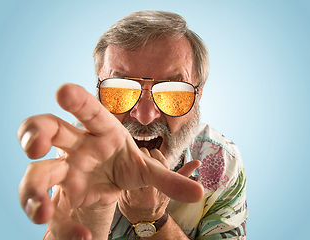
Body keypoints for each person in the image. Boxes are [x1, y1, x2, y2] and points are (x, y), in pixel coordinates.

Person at [17, 10, 247, 240]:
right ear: (98, 89)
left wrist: (153, 221)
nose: (145, 116)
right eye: (121, 90)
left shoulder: (221, 162)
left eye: (173, 93)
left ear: (199, 94)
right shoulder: (79, 150)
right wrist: (91, 211)